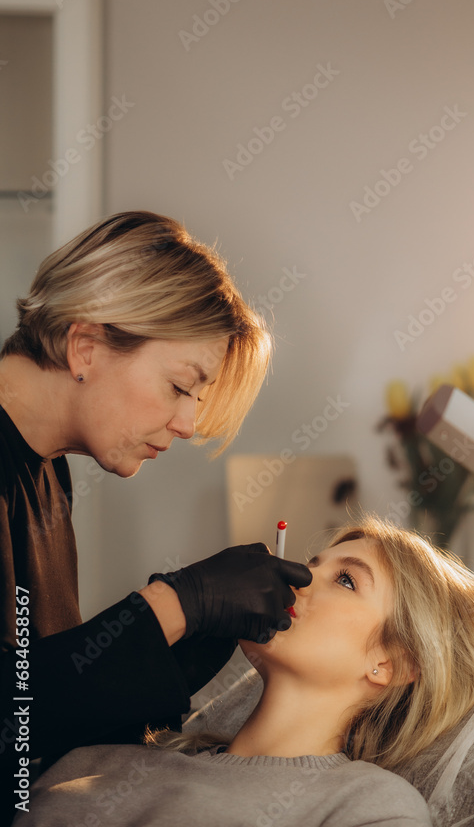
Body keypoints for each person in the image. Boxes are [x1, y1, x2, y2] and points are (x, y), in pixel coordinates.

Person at [0, 211, 312, 823]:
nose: (189, 424)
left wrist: (169, 656)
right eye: (179, 386)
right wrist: (174, 604)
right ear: (85, 346)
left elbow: (32, 718)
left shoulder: (44, 472)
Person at [18, 516, 474, 826]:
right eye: (311, 562)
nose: (297, 578)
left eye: (345, 580)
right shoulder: (105, 757)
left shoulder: (370, 807)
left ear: (390, 663)